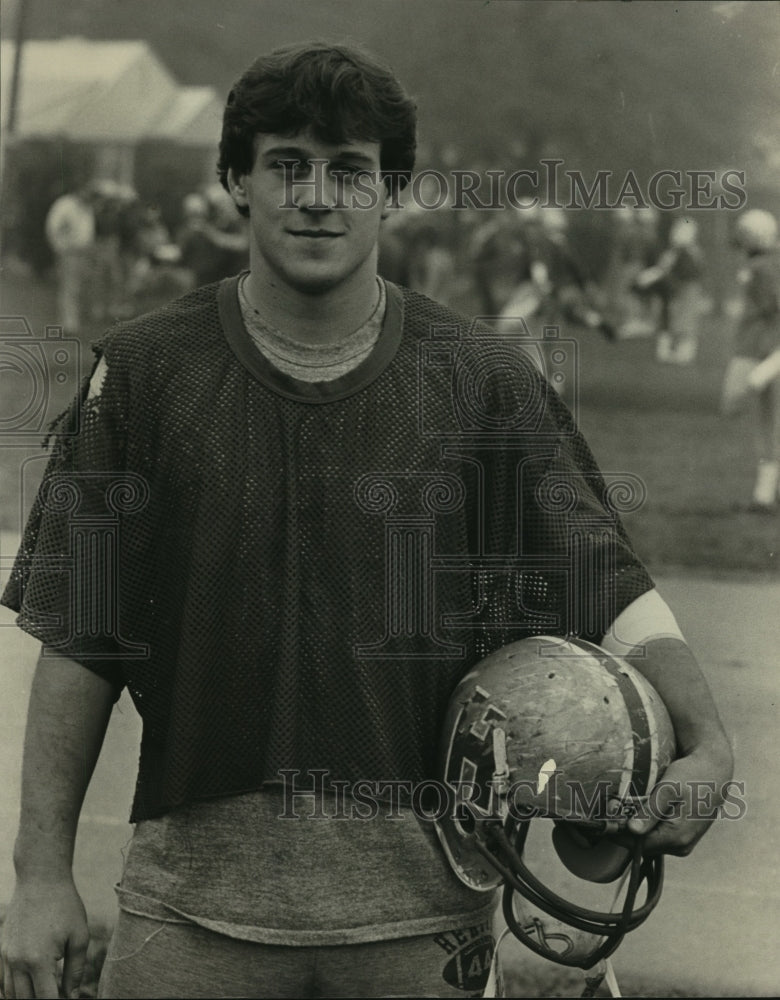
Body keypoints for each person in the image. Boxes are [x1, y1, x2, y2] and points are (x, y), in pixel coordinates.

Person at [0, 42, 734, 1000]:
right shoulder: (139, 376)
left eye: (350, 171)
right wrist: (41, 874)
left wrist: (710, 742)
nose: (317, 197)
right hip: (189, 913)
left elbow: (607, 582)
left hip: (427, 915)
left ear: (392, 192)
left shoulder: (482, 379)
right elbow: (79, 641)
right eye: (286, 166)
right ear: (236, 181)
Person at [720, 208, 780, 512]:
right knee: (765, 421)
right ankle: (765, 491)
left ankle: (765, 492)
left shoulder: (763, 268)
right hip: (756, 348)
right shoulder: (758, 265)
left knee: (745, 408)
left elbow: (775, 306)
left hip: (760, 349)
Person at [43, 185, 96, 334]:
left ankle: (75, 321)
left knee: (81, 287)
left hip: (84, 252)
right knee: (69, 287)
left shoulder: (87, 207)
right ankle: (68, 323)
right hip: (69, 252)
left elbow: (88, 230)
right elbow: (53, 227)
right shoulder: (64, 205)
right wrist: (60, 247)